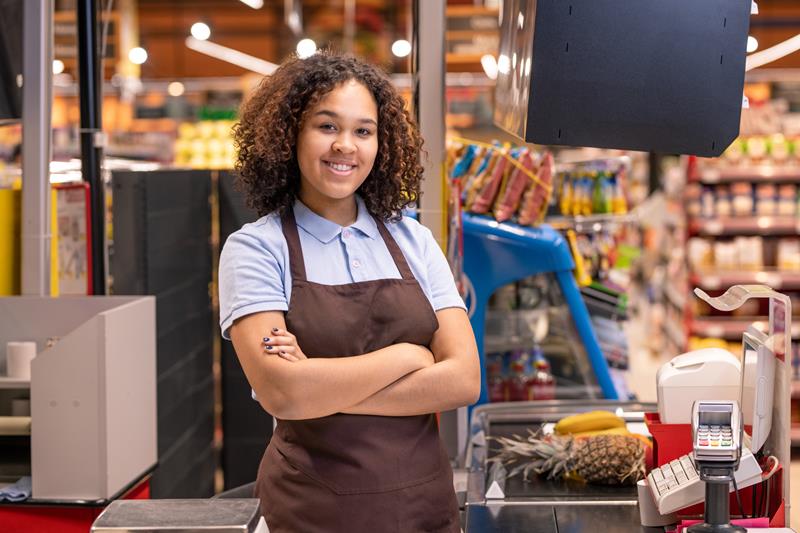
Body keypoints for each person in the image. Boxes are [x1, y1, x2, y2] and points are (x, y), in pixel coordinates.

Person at [219, 50, 480, 533]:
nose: (346, 146)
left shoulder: (413, 239)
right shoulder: (256, 248)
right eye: (326, 126)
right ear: (290, 134)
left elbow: (464, 380)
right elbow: (283, 391)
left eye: (363, 130)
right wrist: (408, 356)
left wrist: (318, 388)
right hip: (311, 514)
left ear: (382, 143)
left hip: (424, 508)